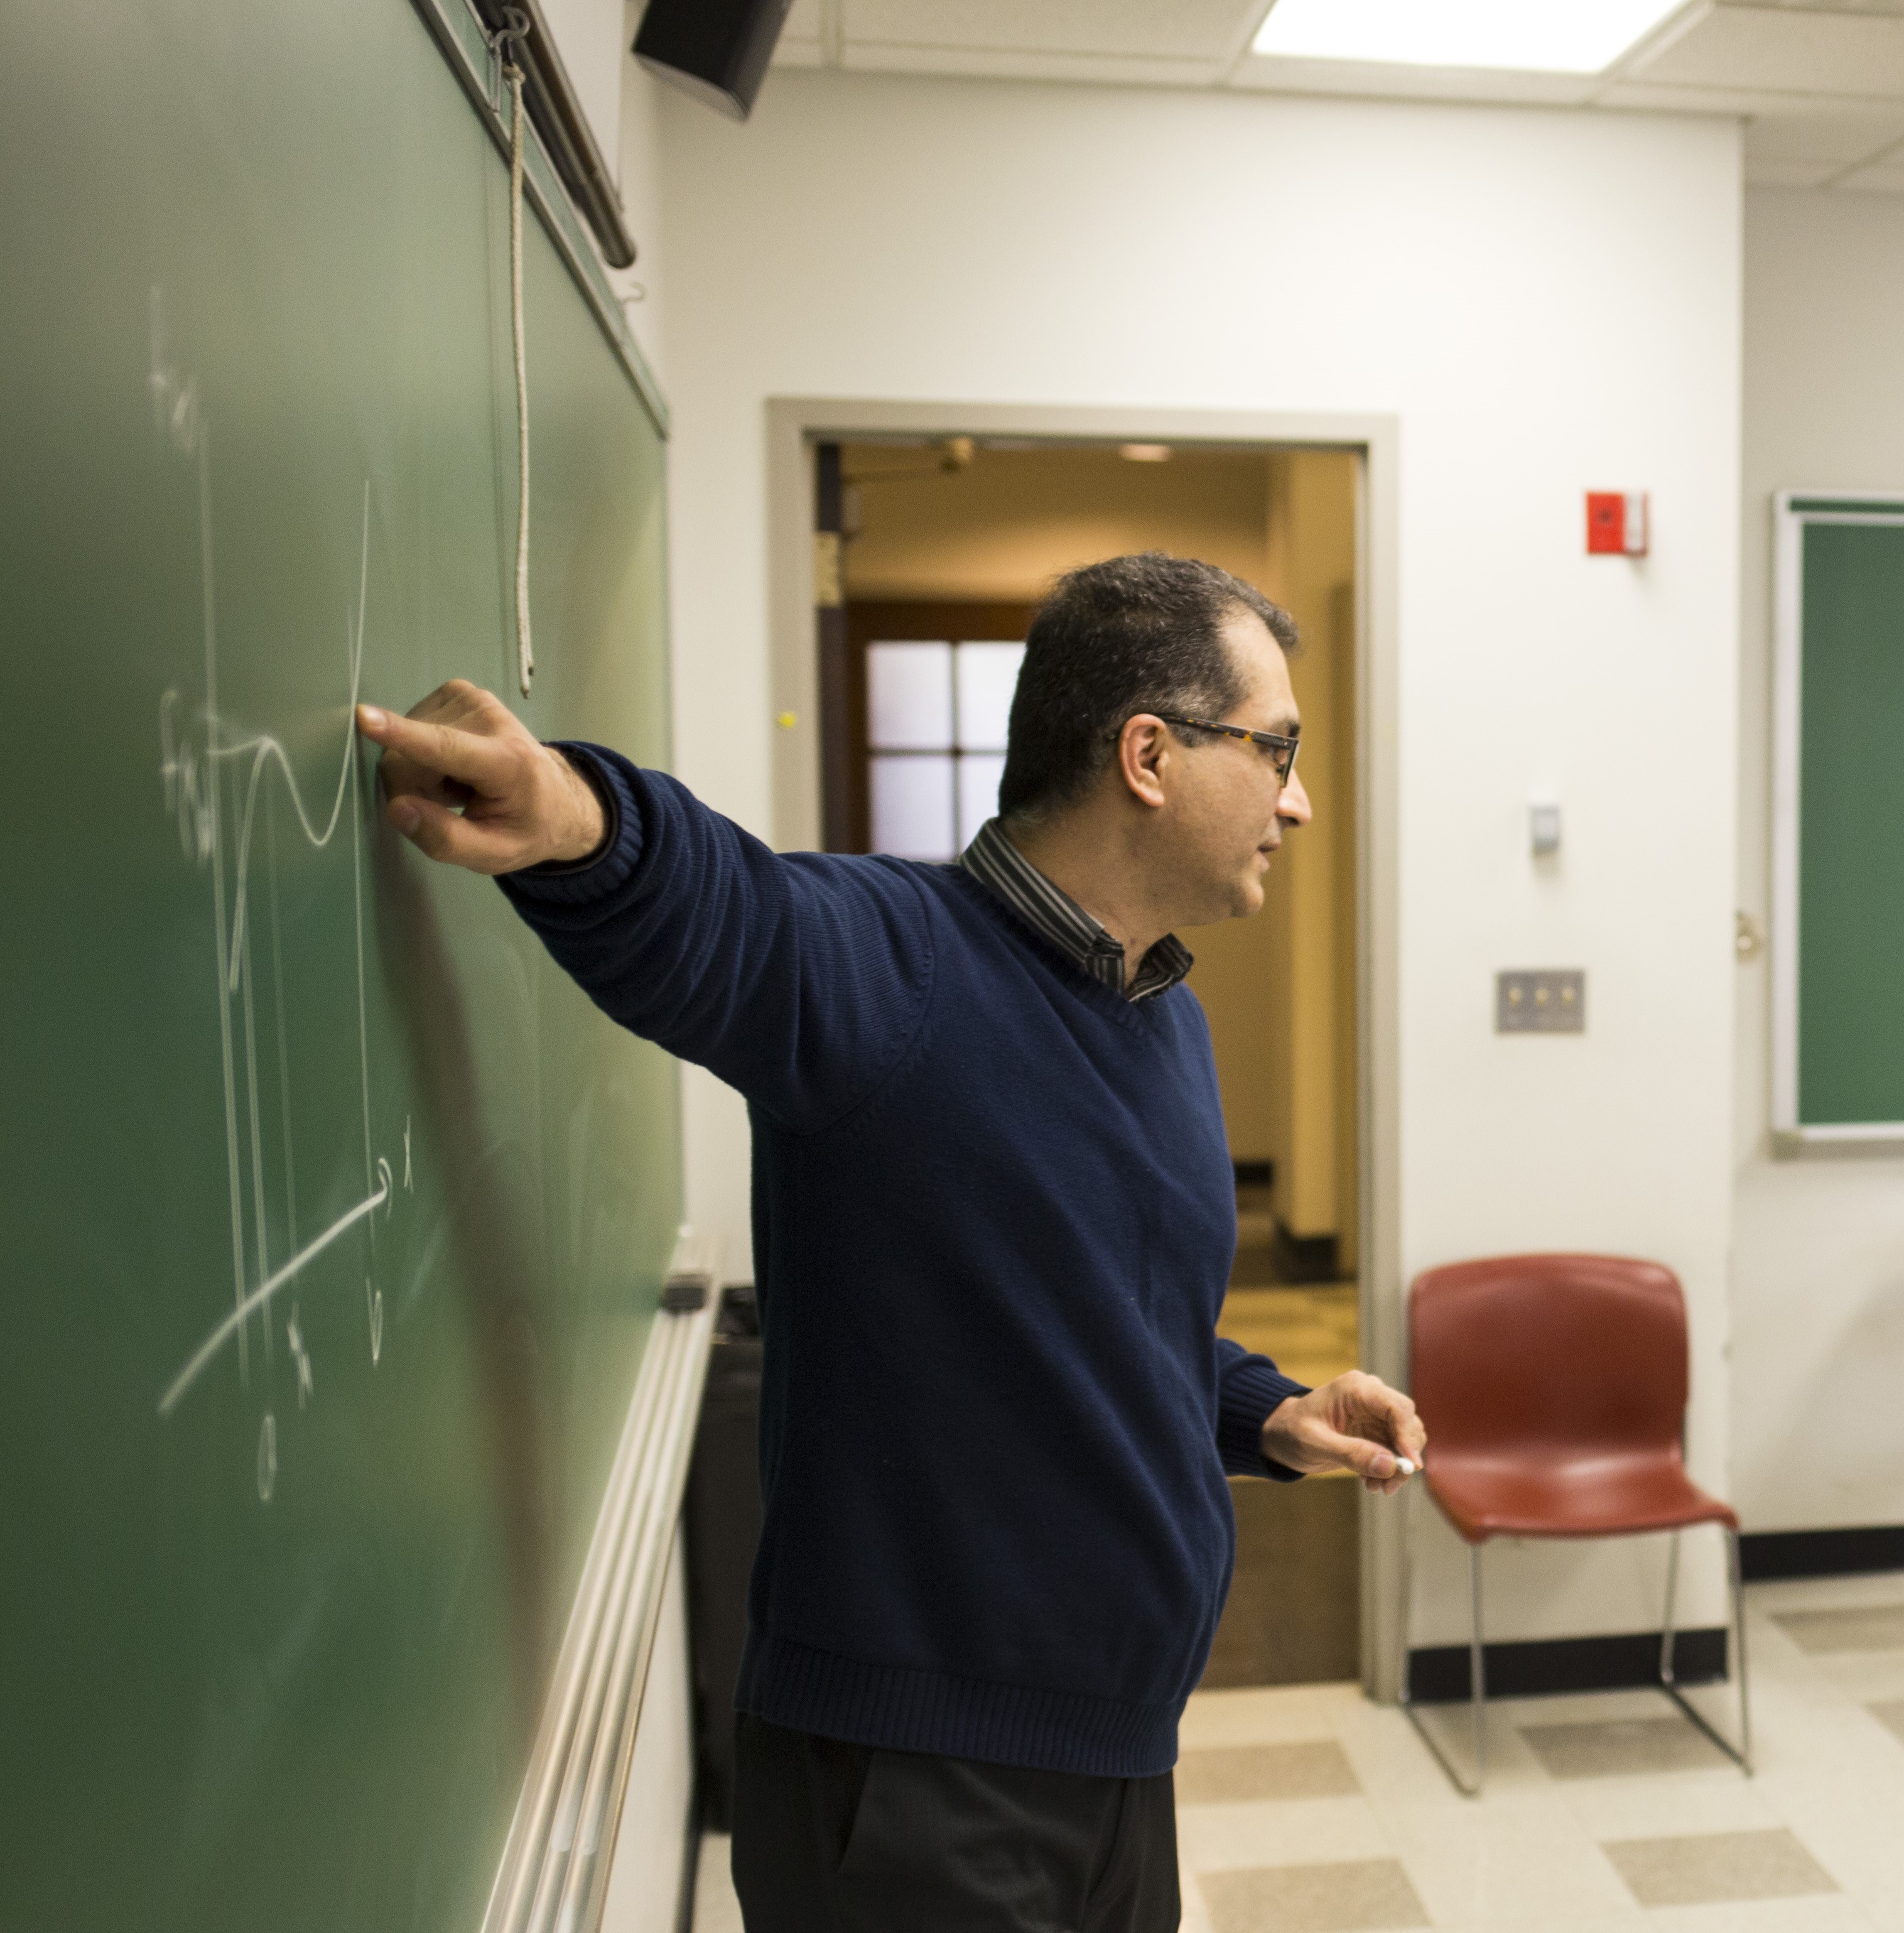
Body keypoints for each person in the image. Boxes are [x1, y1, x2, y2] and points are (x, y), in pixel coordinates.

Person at [355, 553, 1427, 1933]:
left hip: (1117, 1756)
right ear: (1148, 756)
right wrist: (577, 815)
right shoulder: (894, 963)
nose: (1299, 797)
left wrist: (1265, 1412)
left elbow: (1099, 1309)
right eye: (1275, 748)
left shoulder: (1163, 1011)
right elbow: (721, 912)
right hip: (918, 1788)